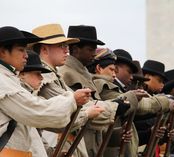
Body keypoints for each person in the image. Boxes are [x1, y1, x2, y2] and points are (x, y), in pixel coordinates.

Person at [0, 26, 89, 157]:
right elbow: (37, 112)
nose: (26, 55)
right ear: (2, 52)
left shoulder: (9, 78)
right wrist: (72, 100)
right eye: (20, 50)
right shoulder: (3, 82)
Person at [32, 24, 104, 157]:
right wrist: (88, 113)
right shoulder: (45, 78)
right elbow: (65, 114)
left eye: (66, 46)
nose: (66, 50)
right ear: (44, 50)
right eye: (61, 46)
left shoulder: (54, 75)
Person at [59, 25, 128, 157]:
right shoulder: (66, 74)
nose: (93, 54)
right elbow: (81, 111)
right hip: (76, 146)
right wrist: (115, 107)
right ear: (75, 49)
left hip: (91, 144)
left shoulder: (84, 73)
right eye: (90, 49)